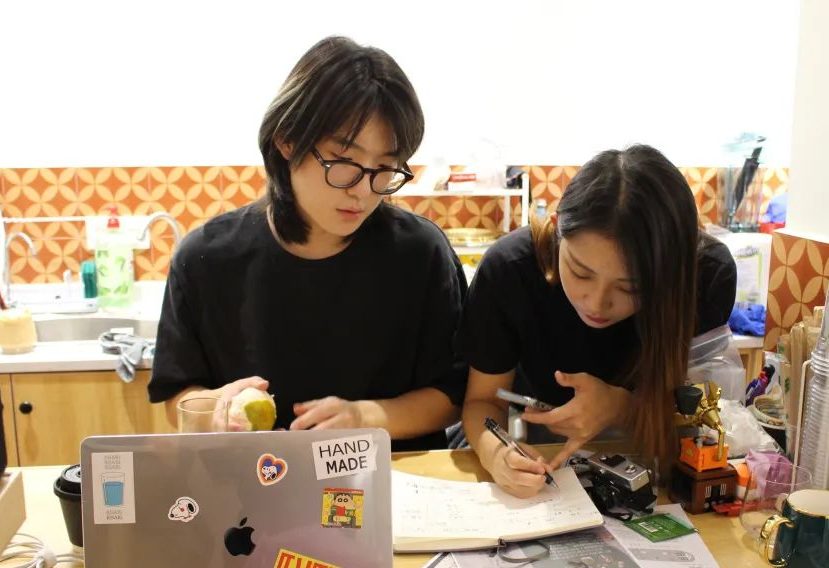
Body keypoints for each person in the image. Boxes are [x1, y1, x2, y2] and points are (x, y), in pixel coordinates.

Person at [149, 36, 467, 451]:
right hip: (254, 479)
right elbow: (178, 396)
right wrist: (216, 409)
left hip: (391, 479)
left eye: (385, 167)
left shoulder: (420, 254)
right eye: (345, 161)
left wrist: (365, 417)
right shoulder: (207, 258)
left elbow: (453, 396)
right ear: (287, 139)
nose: (363, 191)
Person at [456, 144, 737, 497]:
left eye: (630, 287)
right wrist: (496, 454)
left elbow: (703, 413)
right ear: (558, 229)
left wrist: (621, 408)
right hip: (545, 457)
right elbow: (483, 402)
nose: (597, 302)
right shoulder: (510, 269)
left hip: (656, 460)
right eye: (580, 272)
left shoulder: (705, 276)